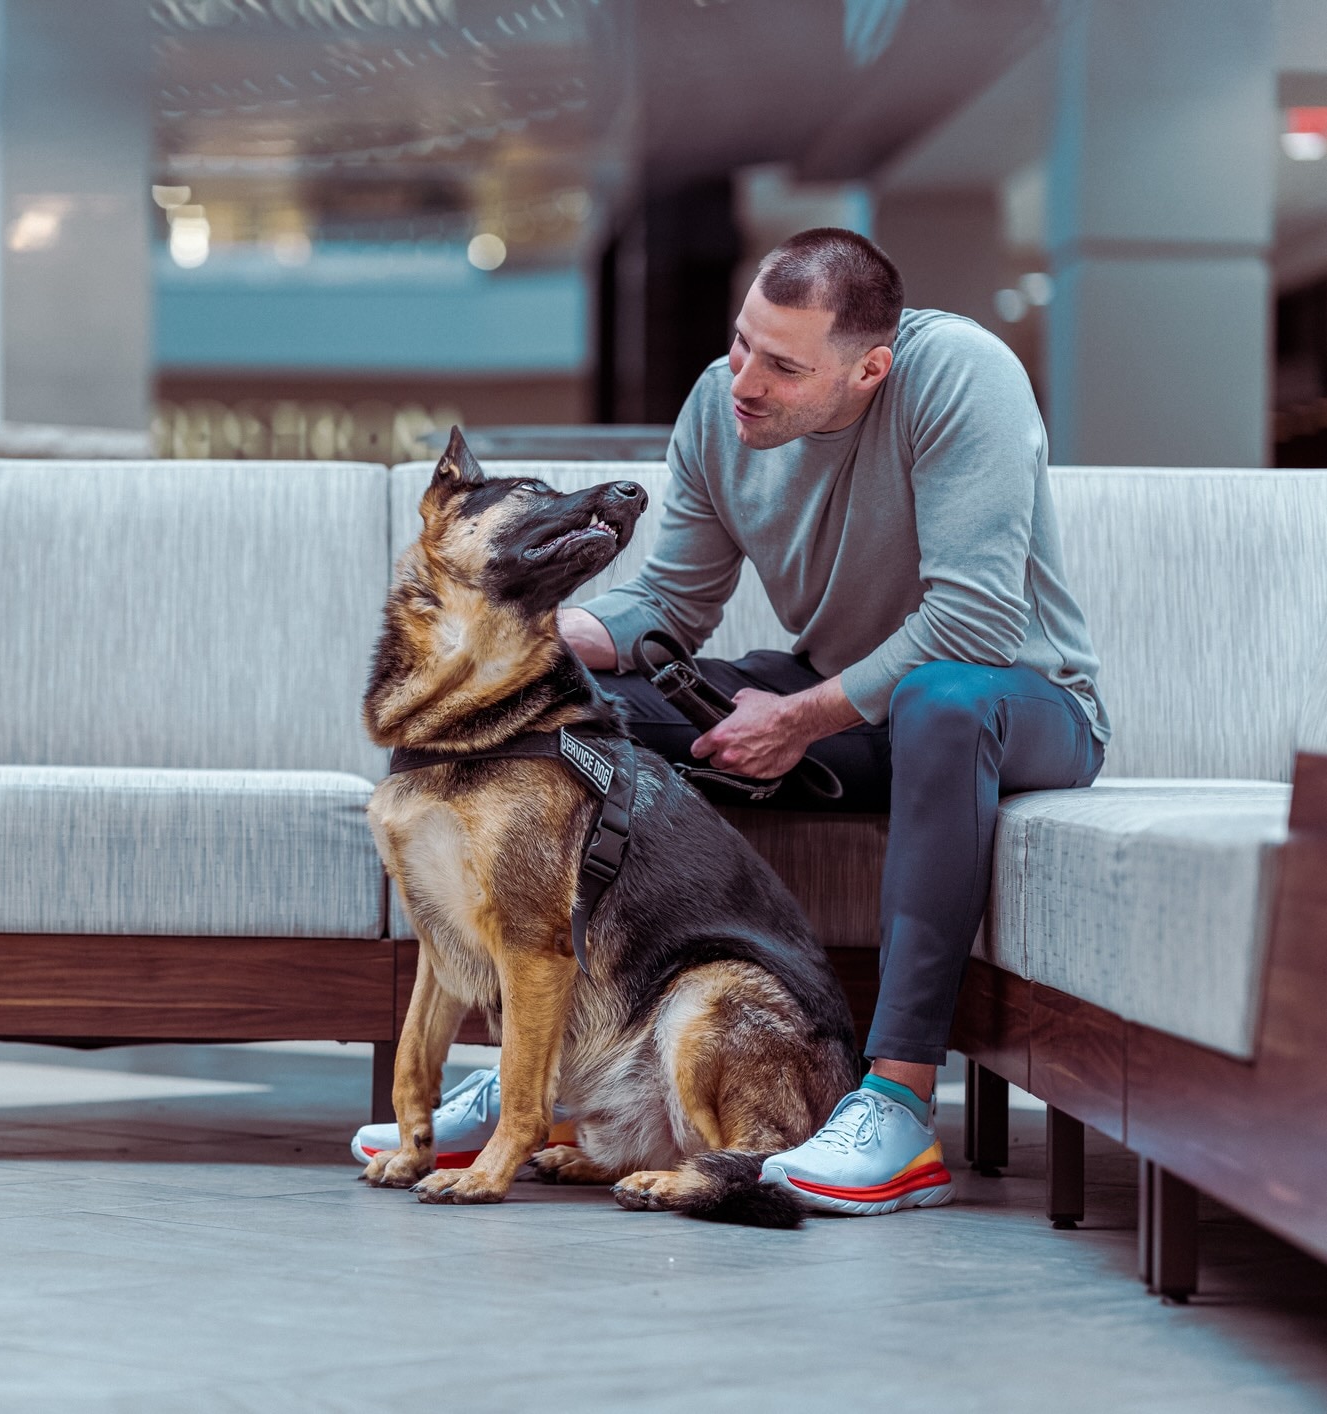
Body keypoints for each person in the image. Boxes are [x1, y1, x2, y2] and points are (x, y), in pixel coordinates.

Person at [353, 227, 1107, 1216]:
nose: (744, 379)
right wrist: (559, 637)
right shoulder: (721, 401)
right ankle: (569, 1065)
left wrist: (799, 719)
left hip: (1014, 702)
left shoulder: (964, 377)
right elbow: (673, 598)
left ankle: (896, 1106)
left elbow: (973, 622)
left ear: (870, 368)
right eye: (743, 342)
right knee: (572, 719)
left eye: (784, 365)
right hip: (836, 691)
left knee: (943, 700)